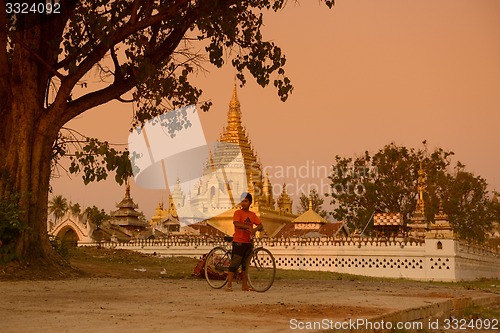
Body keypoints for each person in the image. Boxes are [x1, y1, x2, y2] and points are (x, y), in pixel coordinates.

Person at [226, 192, 263, 292]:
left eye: (246, 201)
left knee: (245, 264)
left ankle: (244, 285)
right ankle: (229, 285)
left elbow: (260, 225)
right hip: (239, 240)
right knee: (235, 263)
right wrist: (248, 227)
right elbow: (236, 224)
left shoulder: (252, 215)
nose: (243, 203)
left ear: (250, 203)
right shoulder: (238, 213)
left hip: (248, 242)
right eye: (242, 201)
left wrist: (254, 230)